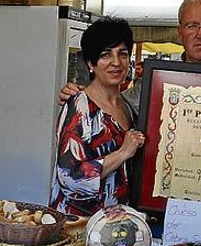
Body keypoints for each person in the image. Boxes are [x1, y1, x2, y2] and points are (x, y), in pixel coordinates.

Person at [58, 0, 201, 141]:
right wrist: (83, 95)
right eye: (192, 25)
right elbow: (113, 107)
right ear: (179, 31)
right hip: (162, 199)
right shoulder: (156, 80)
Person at [50, 17, 146, 216]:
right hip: (79, 226)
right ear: (91, 63)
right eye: (106, 55)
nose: (116, 62)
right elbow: (70, 178)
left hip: (114, 225)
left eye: (123, 54)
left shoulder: (127, 106)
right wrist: (122, 153)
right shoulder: (79, 108)